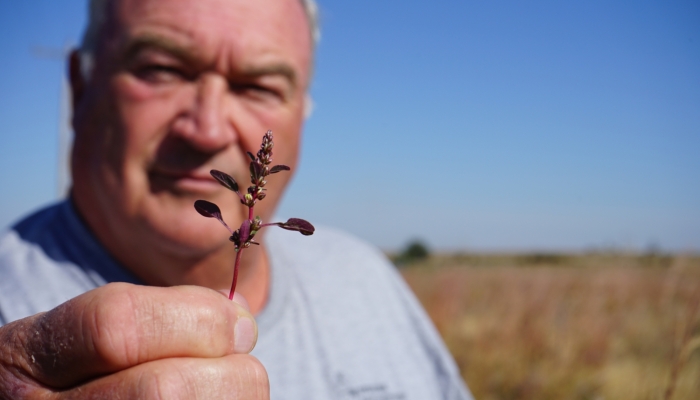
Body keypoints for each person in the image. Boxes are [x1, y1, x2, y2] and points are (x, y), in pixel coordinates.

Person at [0, 0, 473, 398]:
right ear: (80, 87)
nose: (207, 130)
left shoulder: (367, 281)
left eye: (258, 86)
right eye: (161, 70)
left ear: (304, 115)